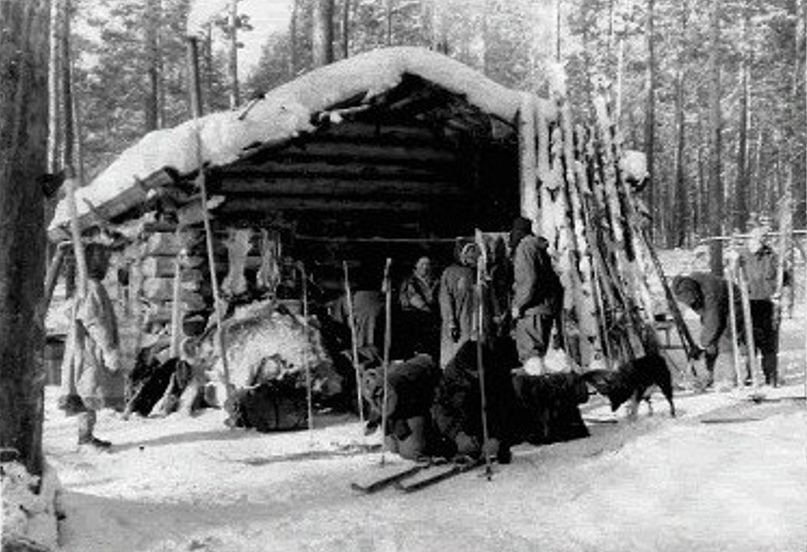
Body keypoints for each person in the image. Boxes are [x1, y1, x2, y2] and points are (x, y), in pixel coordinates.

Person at [58, 243, 122, 450]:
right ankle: (85, 438)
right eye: (104, 261)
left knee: (87, 390)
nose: (107, 266)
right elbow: (94, 321)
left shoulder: (84, 286)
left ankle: (86, 436)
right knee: (88, 392)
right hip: (89, 349)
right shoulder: (92, 288)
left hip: (83, 347)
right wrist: (108, 348)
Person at [508, 216, 563, 375]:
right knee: (538, 355)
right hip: (544, 308)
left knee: (531, 358)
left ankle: (534, 394)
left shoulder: (524, 248)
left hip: (531, 310)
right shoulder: (537, 247)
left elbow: (528, 280)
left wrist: (519, 304)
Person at [672, 272, 743, 387]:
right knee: (710, 341)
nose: (690, 304)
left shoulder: (710, 291)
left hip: (732, 303)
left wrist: (703, 343)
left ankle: (730, 378)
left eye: (691, 301)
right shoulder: (685, 289)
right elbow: (706, 316)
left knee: (724, 338)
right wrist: (706, 342)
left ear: (695, 293)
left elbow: (713, 319)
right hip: (711, 305)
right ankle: (707, 375)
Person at [741, 226, 789, 386]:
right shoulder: (741, 257)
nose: (760, 242)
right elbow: (733, 280)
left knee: (769, 342)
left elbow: (786, 279)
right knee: (750, 342)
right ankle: (751, 375)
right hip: (749, 305)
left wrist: (782, 287)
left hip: (770, 304)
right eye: (757, 239)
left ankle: (771, 375)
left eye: (763, 239)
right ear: (750, 240)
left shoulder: (772, 256)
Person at [438, 241, 479, 368]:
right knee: (456, 352)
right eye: (470, 253)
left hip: (473, 319)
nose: (474, 256)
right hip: (460, 320)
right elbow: (445, 297)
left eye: (475, 253)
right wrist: (451, 320)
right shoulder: (451, 272)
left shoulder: (477, 273)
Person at [398, 256, 440, 359]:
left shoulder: (436, 281)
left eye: (428, 264)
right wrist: (432, 312)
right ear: (416, 266)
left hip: (431, 319)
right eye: (422, 264)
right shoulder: (410, 282)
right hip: (415, 317)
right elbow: (415, 299)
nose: (425, 267)